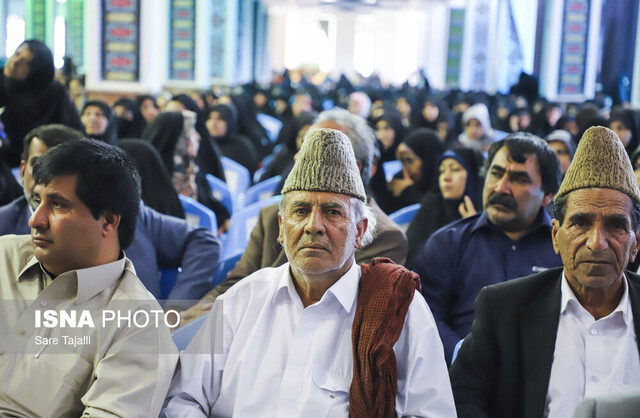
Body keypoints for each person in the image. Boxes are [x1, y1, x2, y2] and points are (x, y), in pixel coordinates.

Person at [163, 128, 455, 417]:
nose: (313, 226)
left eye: (332, 212)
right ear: (281, 227)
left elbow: (431, 413)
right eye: (300, 210)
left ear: (360, 231)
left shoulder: (398, 310)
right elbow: (183, 398)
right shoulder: (243, 300)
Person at [450, 126, 640, 418]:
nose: (597, 243)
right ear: (555, 236)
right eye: (580, 223)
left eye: (616, 225)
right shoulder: (504, 308)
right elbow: (463, 396)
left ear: (636, 243)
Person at [179, 108, 408, 325]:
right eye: (305, 147)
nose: (301, 157)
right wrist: (180, 328)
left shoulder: (384, 236)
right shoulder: (273, 215)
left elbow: (333, 311)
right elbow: (233, 286)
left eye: (322, 151)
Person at [0, 139, 177, 416]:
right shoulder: (4, 255)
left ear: (108, 221)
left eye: (57, 204)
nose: (36, 219)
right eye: (38, 201)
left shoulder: (138, 326)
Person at [0, 124, 220, 303]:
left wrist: (175, 309)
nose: (35, 220)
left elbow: (202, 241)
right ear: (22, 171)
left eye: (58, 203)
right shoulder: (7, 235)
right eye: (40, 164)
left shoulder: (128, 211)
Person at [413, 132, 563, 362]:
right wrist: (461, 355)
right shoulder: (448, 242)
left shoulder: (564, 248)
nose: (501, 188)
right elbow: (422, 313)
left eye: (519, 179)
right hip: (459, 377)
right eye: (496, 173)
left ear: (547, 196)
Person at [0, 39, 82, 166]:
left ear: (37, 71)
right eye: (17, 54)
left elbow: (74, 137)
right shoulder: (2, 83)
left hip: (45, 165)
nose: (15, 62)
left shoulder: (54, 94)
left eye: (25, 62)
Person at [405, 148, 483, 267]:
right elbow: (412, 253)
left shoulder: (486, 210)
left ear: (471, 176)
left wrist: (474, 229)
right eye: (441, 171)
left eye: (455, 169)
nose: (446, 177)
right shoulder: (432, 203)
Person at [206, 103, 259, 178]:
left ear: (229, 122)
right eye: (210, 118)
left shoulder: (242, 146)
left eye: (219, 119)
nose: (213, 124)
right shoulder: (205, 145)